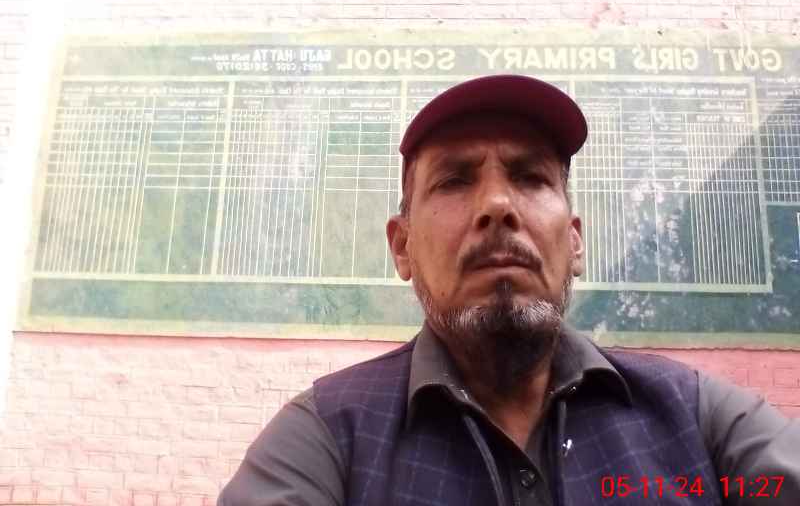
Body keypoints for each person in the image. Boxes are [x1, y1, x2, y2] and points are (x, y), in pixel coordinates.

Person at [219, 75, 799, 505]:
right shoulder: (324, 440)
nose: (498, 205)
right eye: (454, 180)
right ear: (403, 247)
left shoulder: (702, 421)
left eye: (529, 177)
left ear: (574, 241)